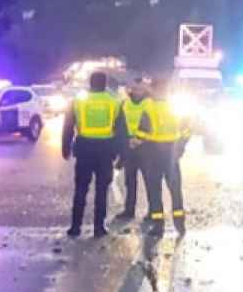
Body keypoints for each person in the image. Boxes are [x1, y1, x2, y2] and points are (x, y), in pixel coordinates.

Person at [62, 71, 127, 238]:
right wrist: (122, 155)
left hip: (84, 148)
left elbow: (68, 126)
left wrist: (66, 148)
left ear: (90, 83)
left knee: (81, 189)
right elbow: (121, 131)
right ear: (105, 83)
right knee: (101, 190)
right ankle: (99, 227)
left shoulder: (78, 101)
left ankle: (75, 227)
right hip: (105, 150)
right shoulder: (114, 102)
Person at [127, 76, 189, 236]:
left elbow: (142, 132)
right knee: (175, 190)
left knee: (155, 191)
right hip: (171, 153)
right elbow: (187, 129)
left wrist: (134, 142)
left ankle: (158, 225)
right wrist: (181, 147)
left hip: (154, 154)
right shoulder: (177, 107)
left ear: (154, 90)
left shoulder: (149, 108)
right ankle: (180, 224)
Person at [117, 77, 152, 221]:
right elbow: (120, 125)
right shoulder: (124, 104)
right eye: (135, 88)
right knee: (129, 181)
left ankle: (153, 210)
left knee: (149, 181)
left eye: (140, 88)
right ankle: (129, 210)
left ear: (145, 89)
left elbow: (153, 124)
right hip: (129, 147)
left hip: (146, 147)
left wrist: (141, 140)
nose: (138, 91)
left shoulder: (150, 104)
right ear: (131, 88)